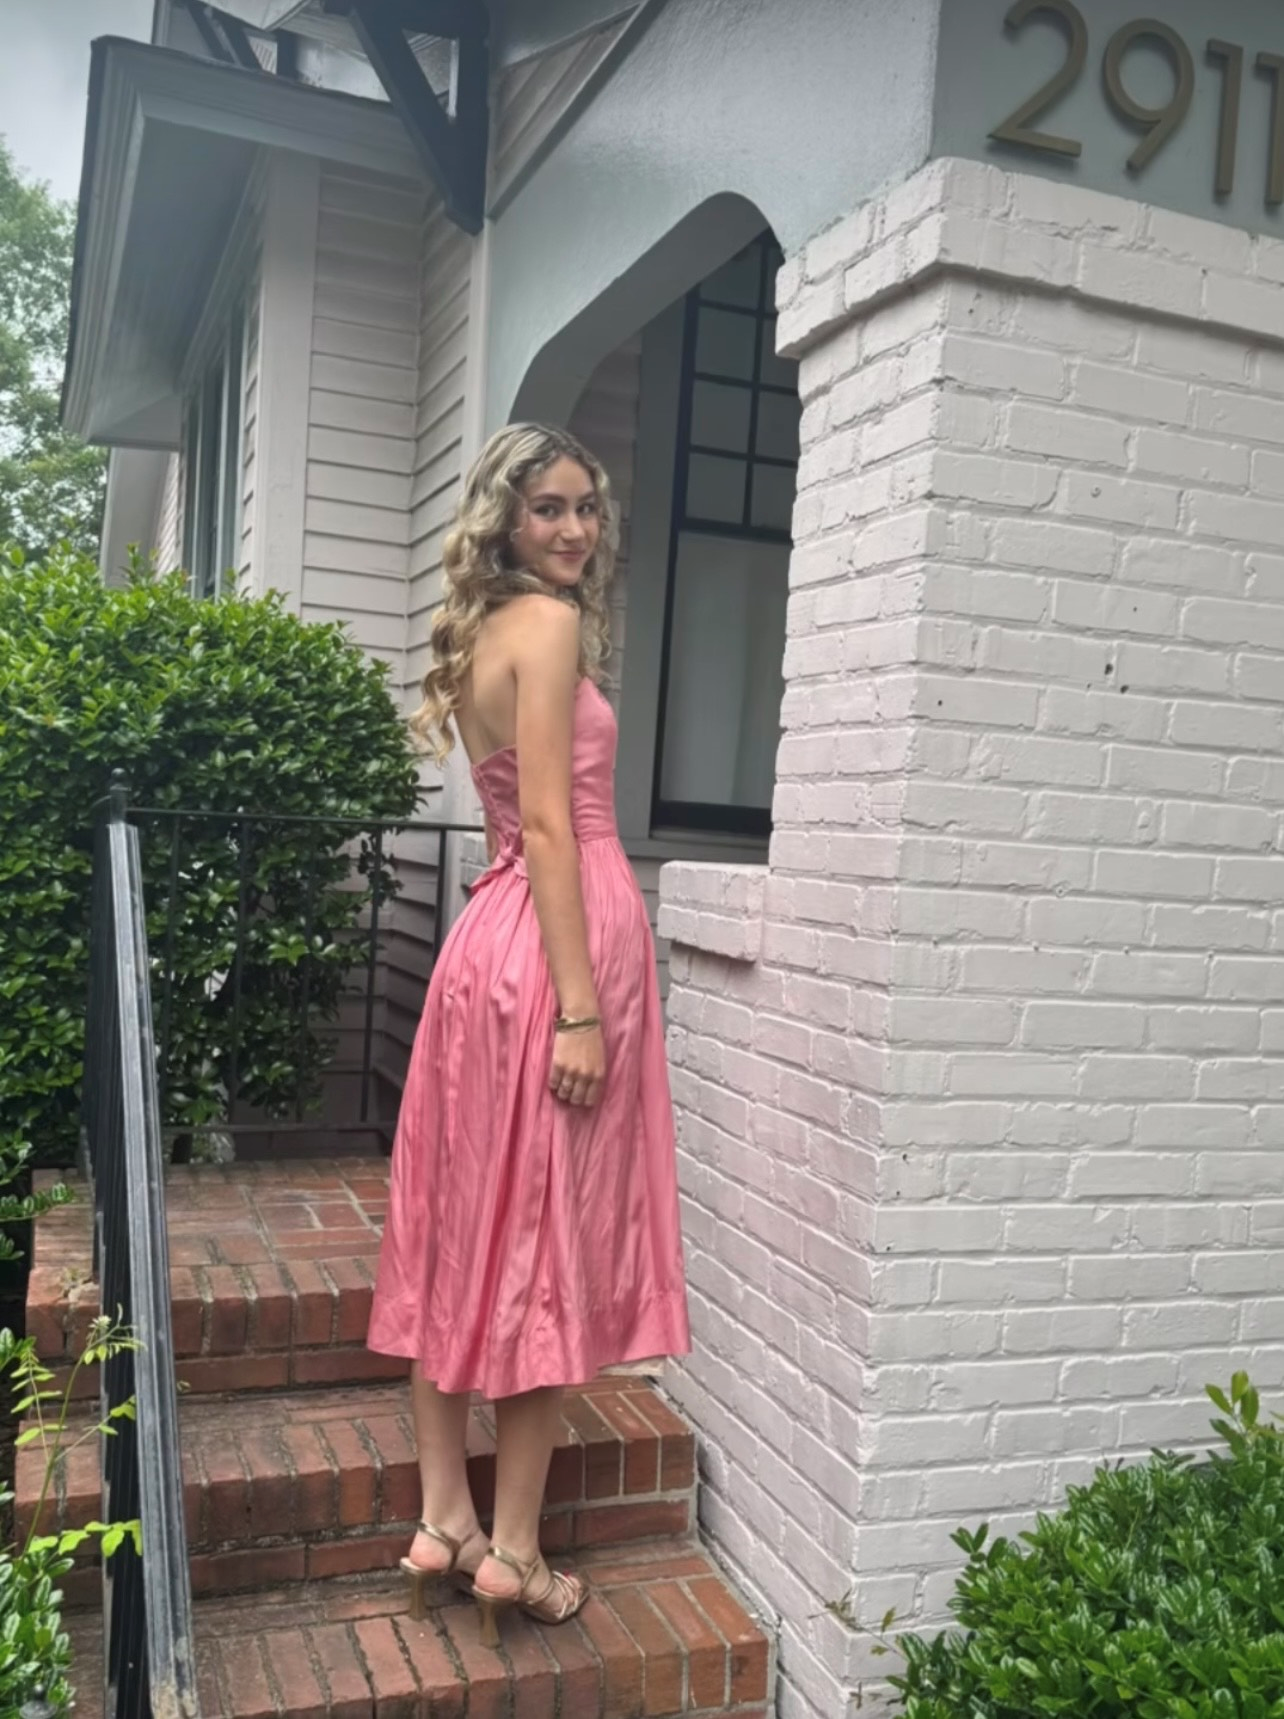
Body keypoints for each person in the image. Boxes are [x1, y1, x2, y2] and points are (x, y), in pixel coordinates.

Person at [367, 422, 691, 1647]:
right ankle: (514, 1553)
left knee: (461, 1228)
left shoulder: (479, 633)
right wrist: (580, 1006)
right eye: (548, 509)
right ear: (504, 518)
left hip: (481, 951)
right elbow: (553, 829)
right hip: (556, 943)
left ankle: (440, 1517)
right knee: (544, 1244)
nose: (572, 530)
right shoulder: (547, 628)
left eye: (585, 510)